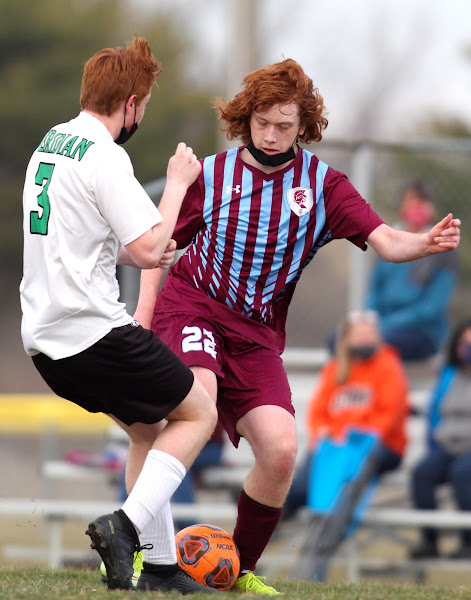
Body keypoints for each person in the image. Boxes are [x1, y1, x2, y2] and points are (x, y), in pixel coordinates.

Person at [133, 59, 460, 594]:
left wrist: (421, 242)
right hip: (193, 307)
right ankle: (137, 544)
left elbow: (385, 239)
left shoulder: (324, 187)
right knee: (200, 401)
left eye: (284, 126)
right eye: (262, 122)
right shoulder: (212, 175)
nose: (270, 135)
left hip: (256, 334)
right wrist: (144, 320)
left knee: (282, 450)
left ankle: (236, 571)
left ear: (304, 125)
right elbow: (157, 249)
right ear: (247, 119)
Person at [19, 35, 219, 594]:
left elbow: (126, 245)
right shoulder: (108, 154)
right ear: (130, 103)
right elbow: (153, 248)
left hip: (45, 341)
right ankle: (125, 528)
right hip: (93, 332)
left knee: (147, 428)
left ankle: (157, 569)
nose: (142, 116)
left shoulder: (52, 142)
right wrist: (177, 184)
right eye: (145, 106)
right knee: (197, 414)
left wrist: (154, 246)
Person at [284, 310, 409, 519]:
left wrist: (353, 437)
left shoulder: (389, 367)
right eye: (359, 334)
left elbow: (389, 415)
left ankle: (323, 531)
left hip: (378, 446)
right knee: (307, 476)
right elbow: (318, 413)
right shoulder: (335, 369)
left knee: (338, 476)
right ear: (346, 338)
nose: (365, 339)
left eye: (370, 334)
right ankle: (269, 511)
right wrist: (326, 434)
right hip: (336, 445)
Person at [366, 179, 458, 361]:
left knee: (379, 344)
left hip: (422, 331)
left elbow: (432, 307)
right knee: (341, 340)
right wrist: (370, 322)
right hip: (382, 326)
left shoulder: (442, 248)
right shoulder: (386, 241)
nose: (415, 206)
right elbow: (373, 292)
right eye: (410, 200)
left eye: (421, 201)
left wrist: (385, 325)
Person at [410, 319, 471, 560]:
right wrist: (434, 446)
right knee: (422, 474)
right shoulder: (450, 375)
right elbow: (436, 413)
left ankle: (468, 542)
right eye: (465, 343)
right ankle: (430, 541)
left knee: (462, 474)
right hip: (447, 446)